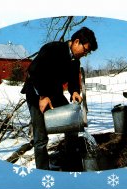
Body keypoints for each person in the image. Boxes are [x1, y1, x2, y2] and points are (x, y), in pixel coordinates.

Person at [21, 27, 98, 170]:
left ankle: (69, 163)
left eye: (88, 53)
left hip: (55, 93)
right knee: (41, 138)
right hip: (36, 92)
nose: (85, 54)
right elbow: (34, 72)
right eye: (85, 50)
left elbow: (73, 80)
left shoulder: (75, 60)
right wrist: (43, 96)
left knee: (72, 125)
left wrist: (74, 91)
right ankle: (43, 172)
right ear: (76, 42)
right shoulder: (52, 49)